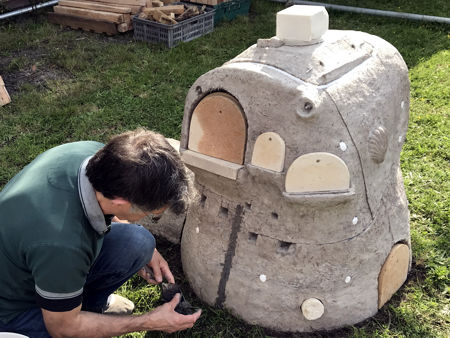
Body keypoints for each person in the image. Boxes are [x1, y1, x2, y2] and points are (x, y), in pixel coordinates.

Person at [0, 128, 201, 337]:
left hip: (36, 265)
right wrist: (148, 321)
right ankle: (71, 313)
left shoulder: (95, 155)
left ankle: (82, 307)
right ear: (121, 202)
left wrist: (149, 251)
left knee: (139, 242)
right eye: (153, 215)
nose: (150, 217)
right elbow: (63, 329)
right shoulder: (63, 244)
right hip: (12, 310)